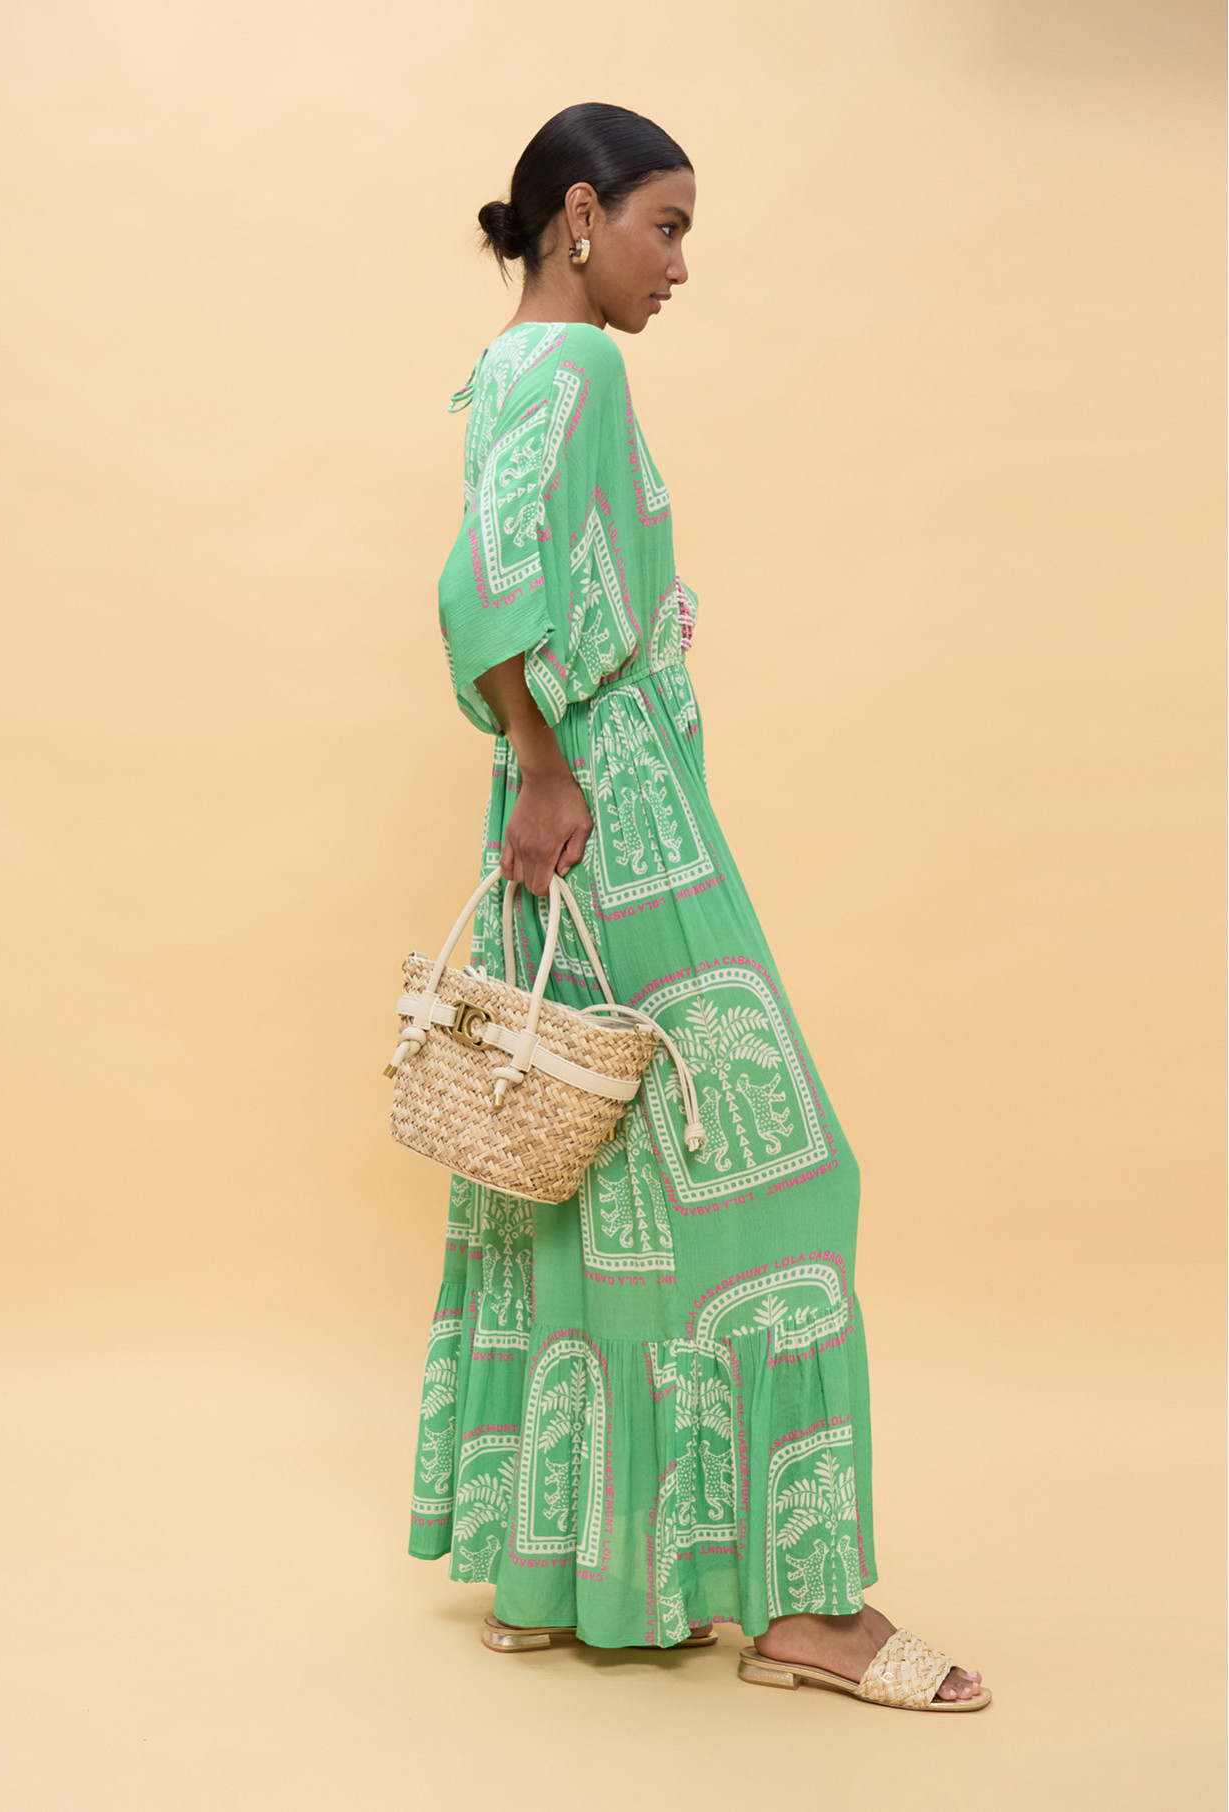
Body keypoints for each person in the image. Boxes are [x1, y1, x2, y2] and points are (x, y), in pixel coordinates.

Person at [407, 102, 989, 1711]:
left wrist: (541, 767)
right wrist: (547, 763)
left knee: (598, 1188)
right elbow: (478, 586)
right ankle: (812, 1607)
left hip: (574, 813)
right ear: (578, 218)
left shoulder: (509, 368)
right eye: (665, 227)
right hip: (616, 815)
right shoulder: (575, 369)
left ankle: (563, 1578)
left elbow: (508, 570)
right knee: (790, 1182)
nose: (679, 265)